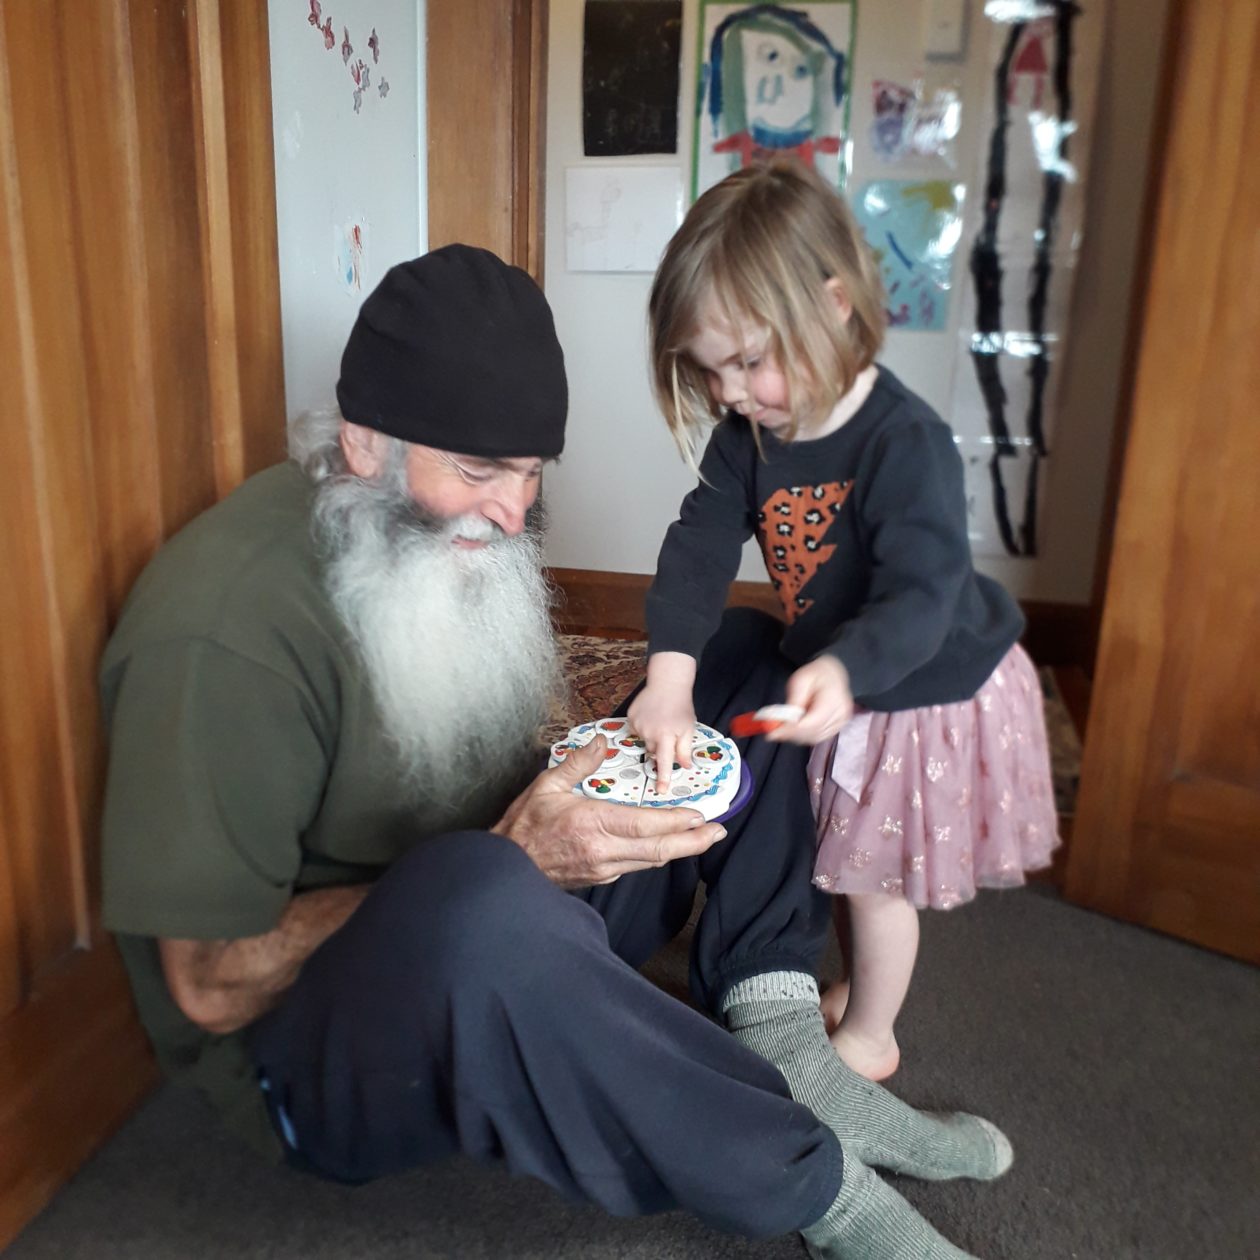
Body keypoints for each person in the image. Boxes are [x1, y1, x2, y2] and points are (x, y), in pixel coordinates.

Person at [100, 243, 1012, 1259]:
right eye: (481, 473)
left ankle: (780, 1023)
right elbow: (209, 982)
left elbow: (509, 785)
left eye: (530, 475)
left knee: (750, 654)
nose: (513, 512)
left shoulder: (448, 526)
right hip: (331, 1057)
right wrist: (515, 856)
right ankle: (823, 1189)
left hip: (511, 903)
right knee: (478, 898)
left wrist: (568, 804)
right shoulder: (225, 632)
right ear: (364, 444)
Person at [631, 156, 1060, 1085]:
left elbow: (922, 592)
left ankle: (872, 1034)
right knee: (840, 847)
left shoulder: (904, 442)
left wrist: (849, 669)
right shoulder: (749, 435)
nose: (733, 394)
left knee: (873, 875)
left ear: (832, 307)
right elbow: (700, 546)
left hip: (921, 675)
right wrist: (668, 680)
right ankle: (846, 992)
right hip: (846, 670)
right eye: (711, 373)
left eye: (749, 361)